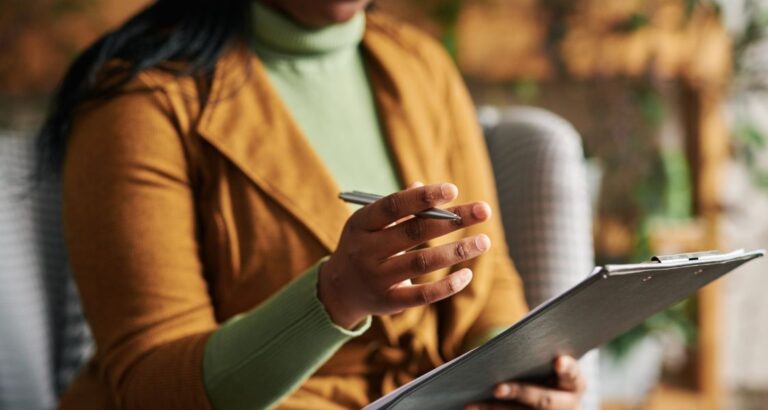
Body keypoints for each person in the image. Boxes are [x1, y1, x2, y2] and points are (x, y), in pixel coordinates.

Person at [39, 0, 587, 408]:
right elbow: (152, 385)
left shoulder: (420, 65)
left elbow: (489, 283)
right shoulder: (139, 101)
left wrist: (513, 380)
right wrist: (335, 297)